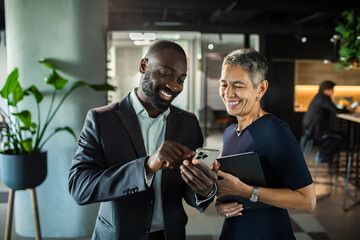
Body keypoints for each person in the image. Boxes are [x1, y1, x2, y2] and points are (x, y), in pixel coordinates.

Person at [68, 40, 218, 240]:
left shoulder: (188, 123)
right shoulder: (101, 120)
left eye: (181, 79)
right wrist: (146, 167)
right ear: (144, 66)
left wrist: (204, 190)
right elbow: (80, 187)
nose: (174, 86)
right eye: (166, 74)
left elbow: (188, 191)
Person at [214, 48, 316, 239]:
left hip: (267, 232)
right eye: (224, 84)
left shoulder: (274, 130)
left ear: (261, 88)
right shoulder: (229, 133)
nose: (228, 93)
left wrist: (247, 191)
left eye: (238, 85)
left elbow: (307, 200)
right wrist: (221, 204)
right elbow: (232, 189)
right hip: (234, 230)